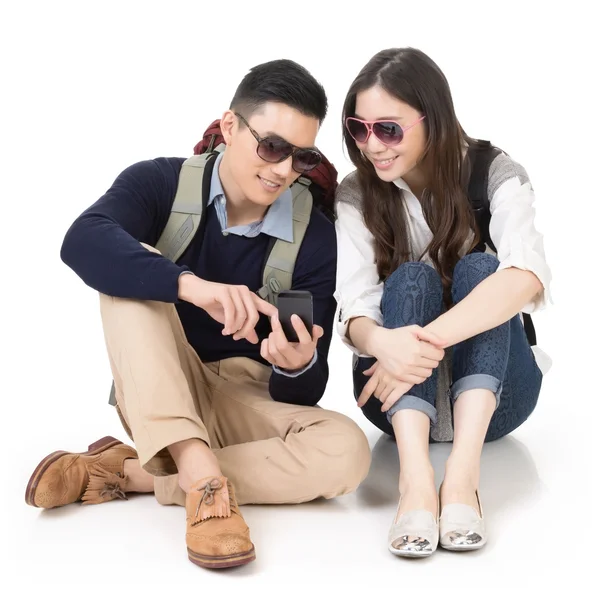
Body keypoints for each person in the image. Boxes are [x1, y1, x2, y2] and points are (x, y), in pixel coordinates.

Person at [25, 59, 371, 569]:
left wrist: (295, 363)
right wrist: (190, 287)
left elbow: (306, 391)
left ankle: (128, 473)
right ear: (230, 127)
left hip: (244, 400)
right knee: (129, 265)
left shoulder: (315, 236)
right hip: (161, 391)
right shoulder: (159, 182)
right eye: (271, 146)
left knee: (349, 452)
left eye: (300, 157)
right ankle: (204, 482)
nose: (281, 169)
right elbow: (81, 240)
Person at [334, 47, 552, 557]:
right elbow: (355, 307)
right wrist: (384, 342)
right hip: (398, 407)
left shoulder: (492, 170)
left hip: (499, 401)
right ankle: (414, 483)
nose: (372, 145)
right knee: (410, 279)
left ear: (434, 119)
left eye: (388, 129)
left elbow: (527, 277)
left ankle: (461, 479)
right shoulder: (355, 194)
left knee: (484, 269)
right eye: (358, 128)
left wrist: (417, 346)